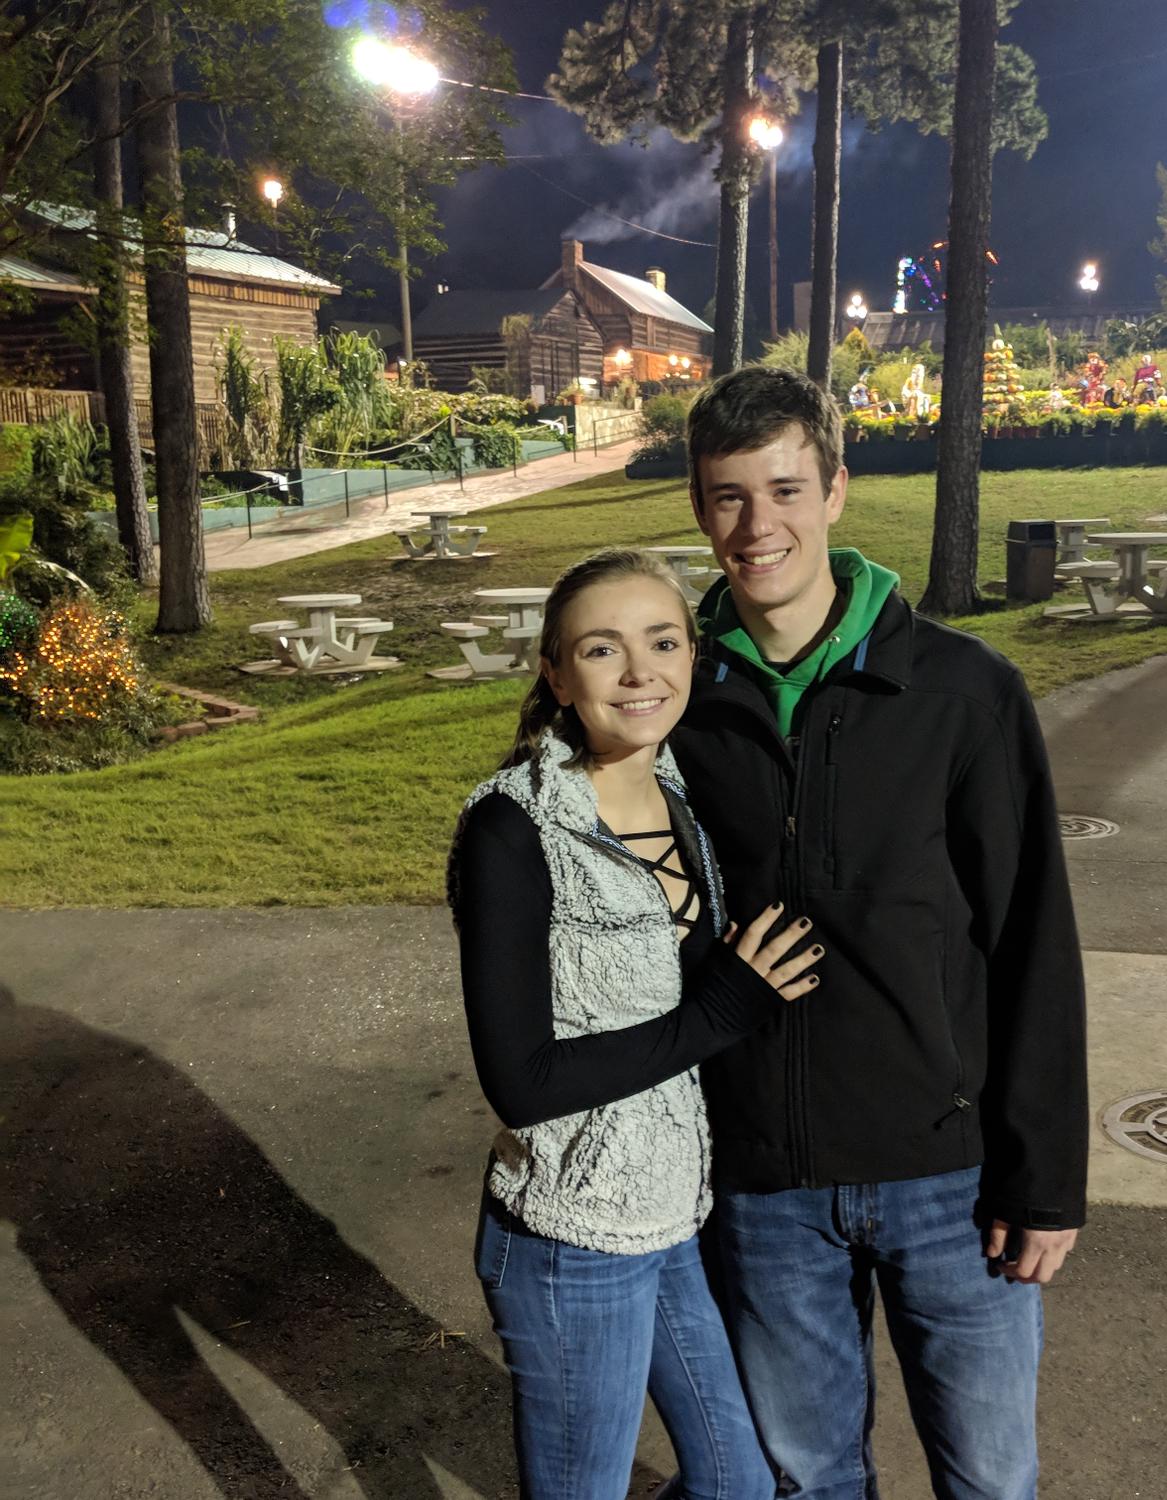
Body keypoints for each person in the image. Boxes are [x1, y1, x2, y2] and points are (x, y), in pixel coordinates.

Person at [671, 368, 1089, 1499]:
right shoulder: (677, 698)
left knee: (990, 1482)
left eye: (785, 488)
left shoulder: (962, 692)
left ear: (838, 489)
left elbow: (1033, 939)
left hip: (949, 1183)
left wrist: (1043, 1178)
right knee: (811, 1483)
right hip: (763, 1184)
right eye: (727, 497)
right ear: (699, 507)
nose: (759, 527)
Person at [448, 547, 823, 1500]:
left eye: (662, 642)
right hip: (571, 1242)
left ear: (693, 654)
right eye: (602, 650)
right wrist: (724, 1009)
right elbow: (522, 1081)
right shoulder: (513, 829)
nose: (639, 672)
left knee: (738, 1485)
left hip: (670, 1217)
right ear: (556, 673)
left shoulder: (679, 794)